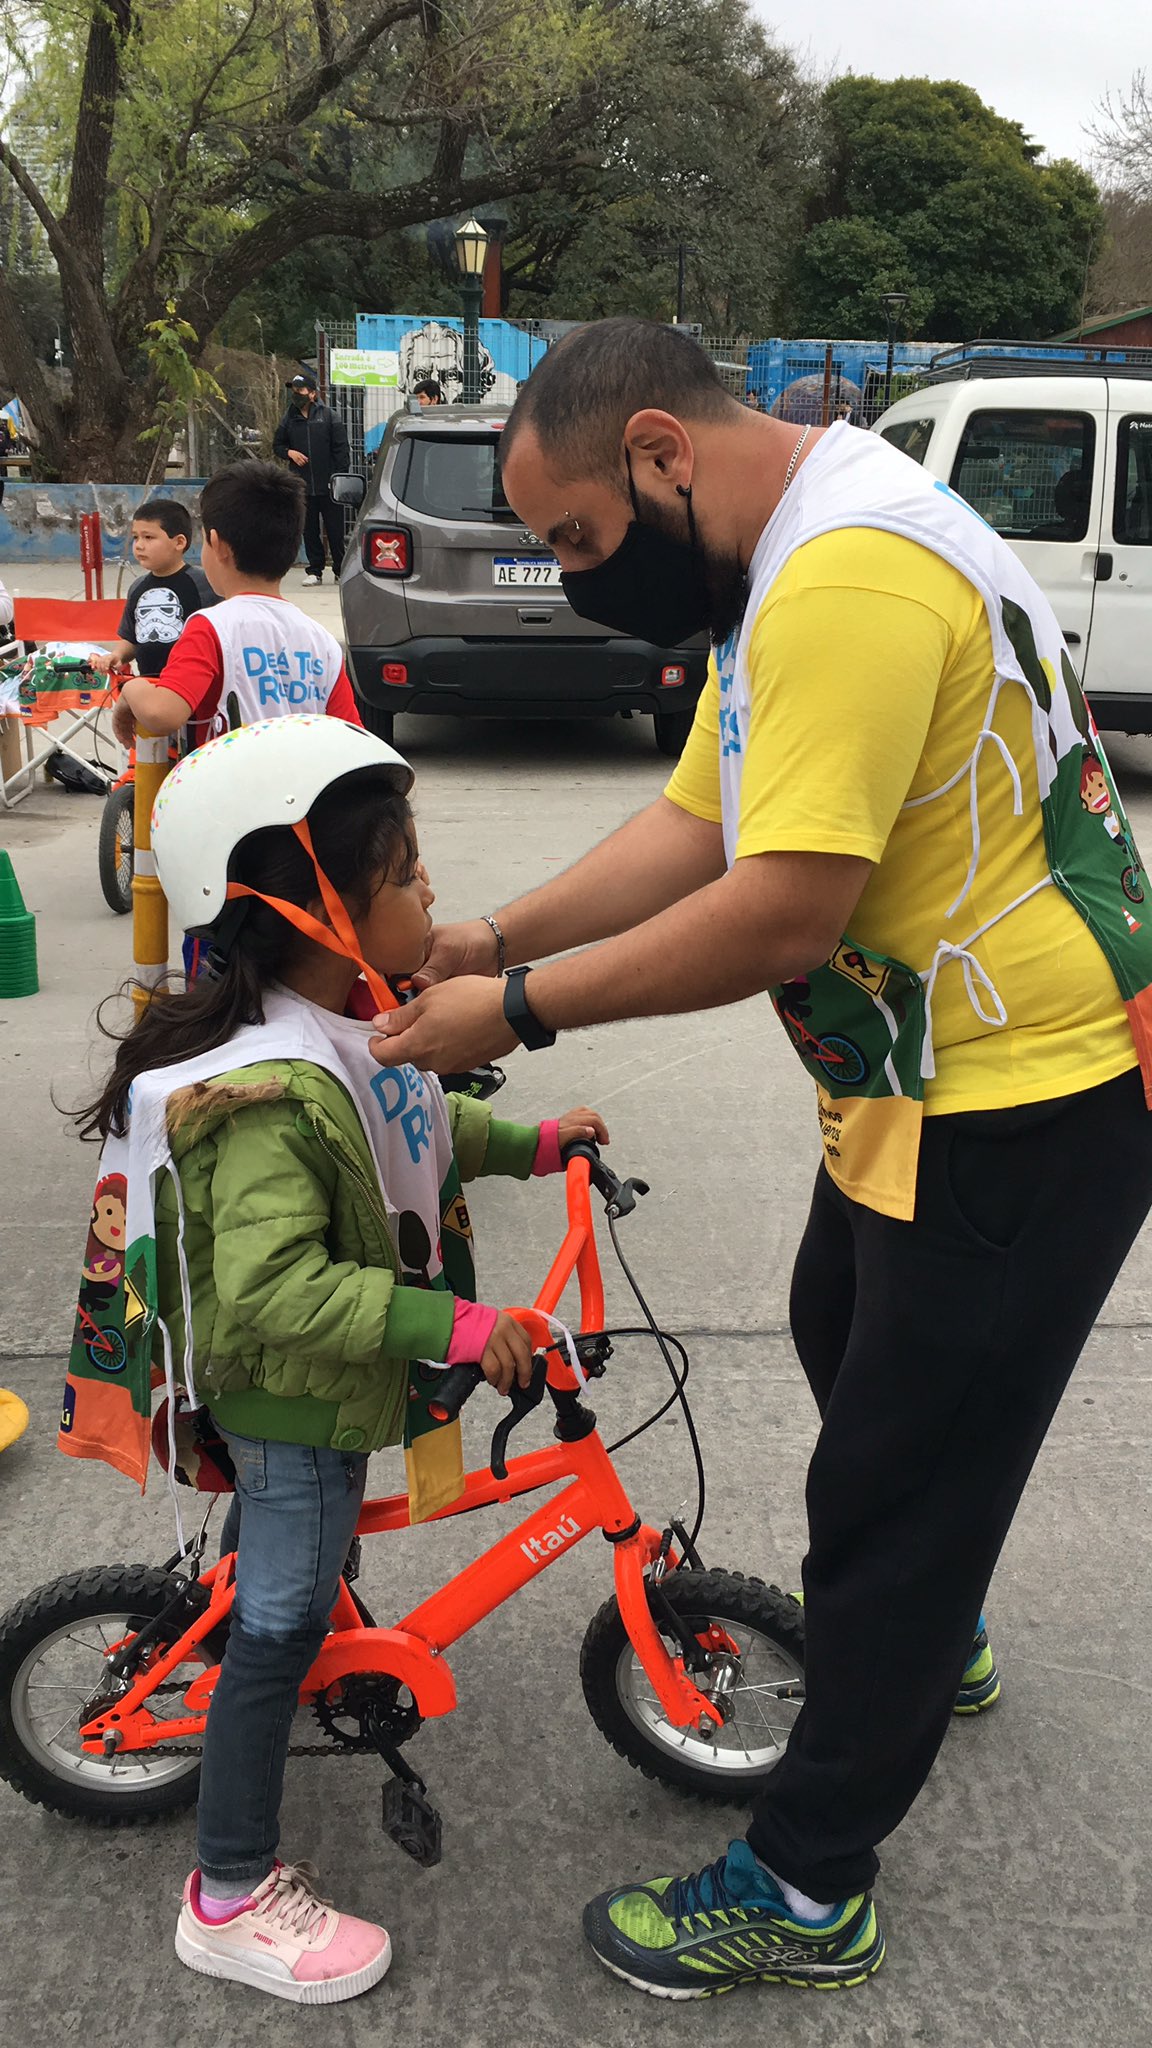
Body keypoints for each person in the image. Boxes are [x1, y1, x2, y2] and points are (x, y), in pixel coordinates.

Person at [367, 316, 1152, 1997]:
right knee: (837, 1329)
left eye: (582, 537)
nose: (584, 578)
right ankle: (921, 1625)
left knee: (891, 1492)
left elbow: (779, 907)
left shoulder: (846, 576)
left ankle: (807, 1885)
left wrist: (516, 1008)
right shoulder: (789, 543)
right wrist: (492, 935)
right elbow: (698, 822)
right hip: (918, 1081)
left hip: (1018, 1101)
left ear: (662, 451)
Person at [76, 714, 608, 2004]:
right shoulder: (267, 1090)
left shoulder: (347, 1022)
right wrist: (457, 1325)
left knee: (301, 1568)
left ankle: (265, 1613)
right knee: (285, 1621)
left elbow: (419, 1125)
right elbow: (277, 1292)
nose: (431, 888)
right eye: (405, 870)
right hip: (291, 1401)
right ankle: (229, 1893)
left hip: (319, 1391)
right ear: (315, 908)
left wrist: (536, 1142)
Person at [111, 461, 361, 756]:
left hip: (227, 783)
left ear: (217, 545)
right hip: (305, 783)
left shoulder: (210, 628)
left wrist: (131, 689)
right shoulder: (322, 642)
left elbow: (162, 713)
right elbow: (351, 738)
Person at [90, 499, 215, 682]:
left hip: (191, 686)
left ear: (179, 542)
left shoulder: (205, 583)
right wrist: (116, 656)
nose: (139, 545)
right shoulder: (137, 588)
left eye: (148, 537)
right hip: (148, 685)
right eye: (136, 537)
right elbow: (132, 639)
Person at [272, 372, 351, 585]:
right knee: (309, 529)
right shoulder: (289, 419)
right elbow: (277, 445)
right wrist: (290, 453)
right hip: (303, 485)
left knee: (335, 530)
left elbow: (341, 450)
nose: (296, 394)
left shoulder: (329, 416)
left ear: (313, 393)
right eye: (294, 391)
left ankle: (340, 569)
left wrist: (337, 478)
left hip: (329, 485)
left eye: (300, 390)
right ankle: (315, 570)